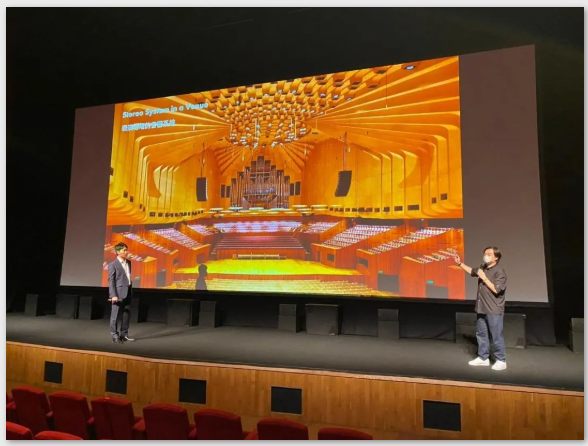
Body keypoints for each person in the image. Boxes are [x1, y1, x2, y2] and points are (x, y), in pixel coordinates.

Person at [454, 247, 507, 370]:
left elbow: (496, 289)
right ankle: (483, 358)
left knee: (496, 336)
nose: (486, 256)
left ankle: (501, 360)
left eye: (489, 254)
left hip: (493, 310)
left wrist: (484, 278)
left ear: (496, 257)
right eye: (485, 254)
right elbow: (472, 271)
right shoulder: (483, 268)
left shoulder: (500, 272)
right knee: (481, 334)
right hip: (481, 308)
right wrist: (460, 263)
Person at [108, 242, 135, 344]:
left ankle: (124, 335)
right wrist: (113, 295)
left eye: (126, 250)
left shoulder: (128, 262)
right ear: (118, 252)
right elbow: (111, 281)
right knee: (114, 315)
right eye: (124, 250)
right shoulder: (113, 265)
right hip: (118, 293)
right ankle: (114, 336)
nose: (126, 252)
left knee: (126, 314)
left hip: (128, 291)